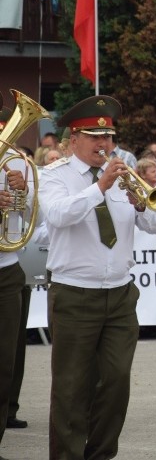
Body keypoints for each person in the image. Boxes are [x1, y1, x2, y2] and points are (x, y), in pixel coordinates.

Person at [39, 95, 156, 459]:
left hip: (120, 294)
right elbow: (59, 216)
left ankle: (101, 454)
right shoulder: (55, 176)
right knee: (71, 387)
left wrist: (142, 202)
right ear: (73, 138)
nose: (103, 144)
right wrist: (99, 188)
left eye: (108, 136)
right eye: (94, 136)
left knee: (115, 383)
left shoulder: (123, 175)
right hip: (75, 294)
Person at [0, 102, 33, 455]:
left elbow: (29, 219)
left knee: (7, 357)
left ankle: (6, 414)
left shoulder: (14, 162)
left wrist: (22, 193)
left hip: (7, 266)